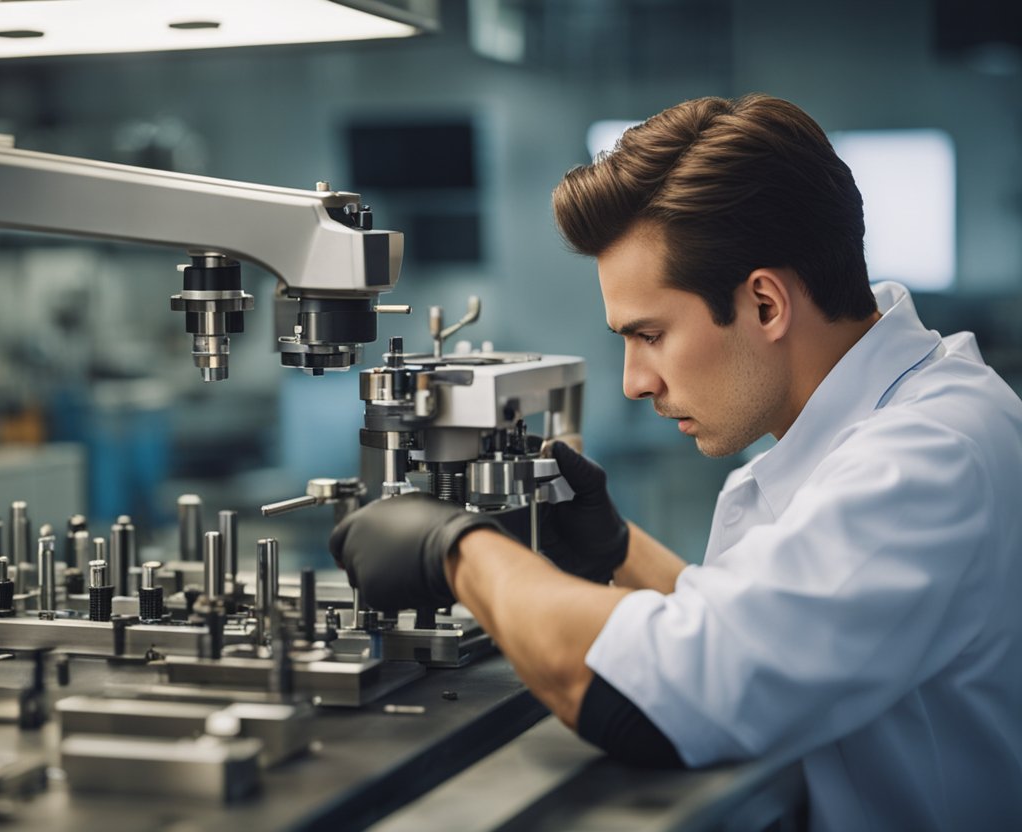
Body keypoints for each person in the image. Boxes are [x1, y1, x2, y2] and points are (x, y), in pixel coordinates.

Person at [329, 94, 1022, 831]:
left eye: (650, 334)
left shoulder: (927, 459)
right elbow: (764, 631)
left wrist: (458, 551)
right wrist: (619, 550)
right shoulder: (892, 417)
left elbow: (667, 698)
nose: (635, 381)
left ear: (764, 304)